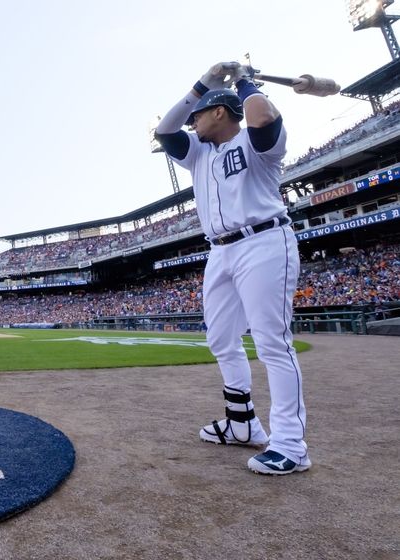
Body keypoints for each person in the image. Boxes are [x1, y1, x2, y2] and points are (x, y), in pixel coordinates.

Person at [155, 62, 309, 475]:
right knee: (221, 339)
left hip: (263, 241)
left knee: (272, 343)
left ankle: (291, 446)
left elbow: (264, 116)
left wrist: (243, 81)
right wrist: (202, 84)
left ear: (220, 113)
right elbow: (164, 130)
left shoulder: (257, 143)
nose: (193, 121)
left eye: (199, 113)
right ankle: (242, 424)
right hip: (219, 251)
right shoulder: (199, 153)